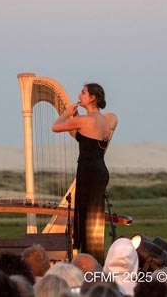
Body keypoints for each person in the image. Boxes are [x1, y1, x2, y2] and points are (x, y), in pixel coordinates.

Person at [52, 83, 117, 263]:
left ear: (92, 98)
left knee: (87, 217)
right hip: (100, 170)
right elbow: (87, 136)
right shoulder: (106, 120)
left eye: (83, 93)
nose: (79, 95)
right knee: (93, 219)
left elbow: (55, 127)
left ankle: (87, 262)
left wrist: (66, 113)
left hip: (88, 171)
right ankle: (94, 260)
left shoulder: (85, 121)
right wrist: (76, 115)